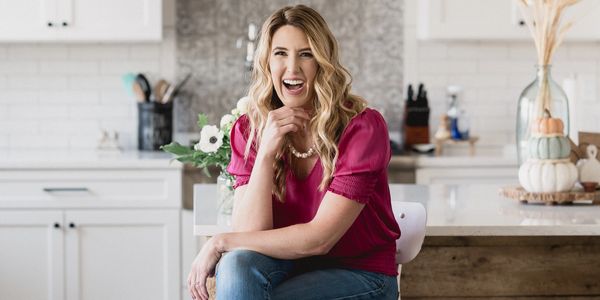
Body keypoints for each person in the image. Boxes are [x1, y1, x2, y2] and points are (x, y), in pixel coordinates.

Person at [187, 4, 401, 300]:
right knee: (237, 266)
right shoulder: (250, 130)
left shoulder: (362, 128)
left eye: (306, 53)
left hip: (361, 275)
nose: (292, 68)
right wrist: (265, 154)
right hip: (286, 266)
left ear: (323, 63)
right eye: (280, 53)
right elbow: (250, 236)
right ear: (267, 63)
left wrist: (219, 242)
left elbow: (320, 240)